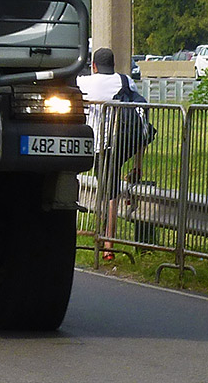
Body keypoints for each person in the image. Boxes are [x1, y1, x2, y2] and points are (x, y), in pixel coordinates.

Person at [76, 47, 134, 259]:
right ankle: (108, 241)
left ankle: (95, 235)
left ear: (93, 66)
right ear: (113, 65)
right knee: (111, 192)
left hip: (87, 141)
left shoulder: (83, 82)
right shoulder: (125, 81)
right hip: (115, 143)